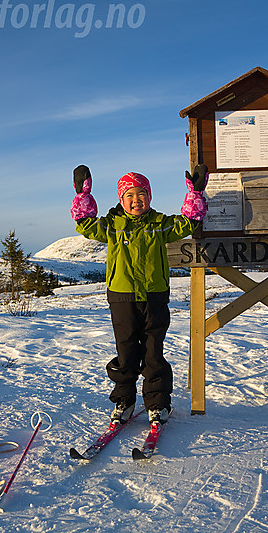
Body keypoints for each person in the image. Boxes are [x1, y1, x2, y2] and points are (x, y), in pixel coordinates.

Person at [70, 164, 208, 426]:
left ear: (150, 197)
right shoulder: (112, 225)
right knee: (126, 350)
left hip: (154, 296)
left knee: (154, 351)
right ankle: (125, 400)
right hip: (121, 296)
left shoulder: (160, 224)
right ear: (121, 200)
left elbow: (189, 221)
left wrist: (196, 193)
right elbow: (85, 224)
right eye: (129, 196)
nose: (136, 201)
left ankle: (157, 403)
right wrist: (83, 194)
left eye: (141, 194)